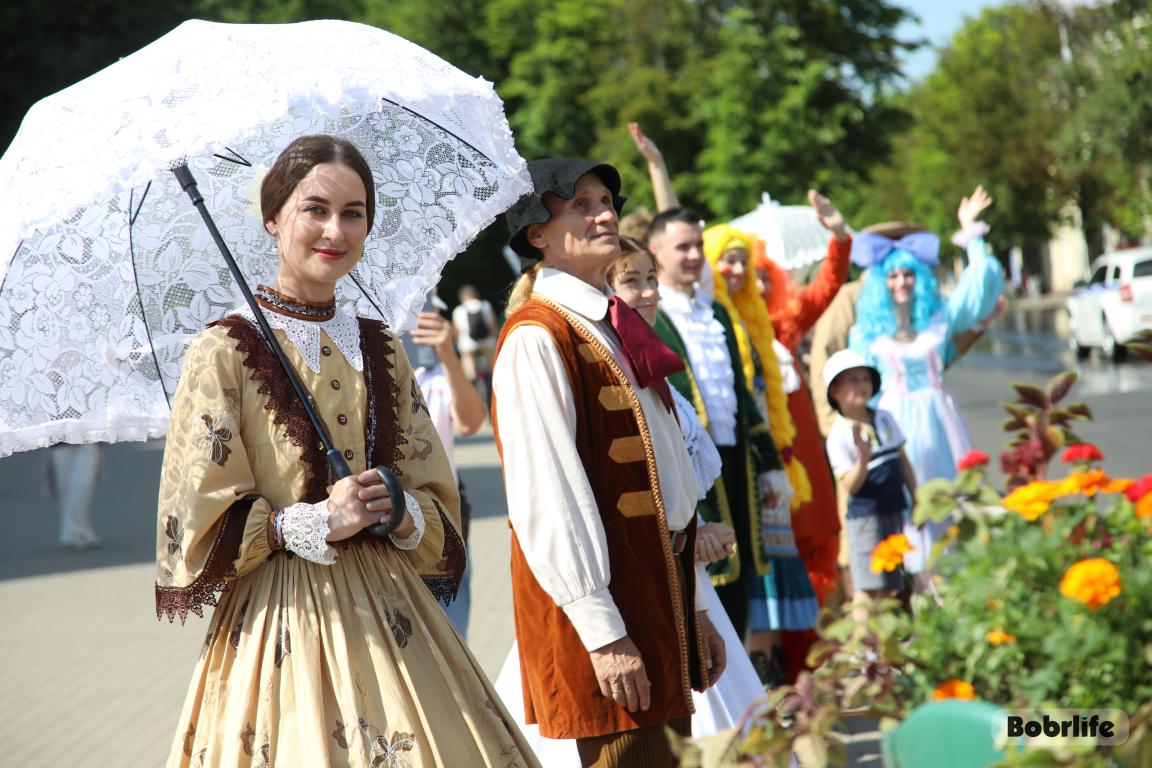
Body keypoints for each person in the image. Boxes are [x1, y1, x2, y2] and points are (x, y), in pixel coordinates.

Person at [155, 135, 536, 767]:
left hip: (397, 608)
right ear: (273, 218)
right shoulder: (224, 349)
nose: (336, 229)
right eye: (316, 209)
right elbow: (194, 519)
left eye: (354, 213)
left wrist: (397, 507)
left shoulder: (381, 345)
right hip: (285, 619)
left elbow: (433, 489)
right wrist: (308, 521)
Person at [493, 236, 763, 766]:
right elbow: (547, 502)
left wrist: (697, 606)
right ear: (542, 234)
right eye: (582, 204)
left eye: (605, 200)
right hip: (610, 610)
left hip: (660, 595)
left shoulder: (614, 331)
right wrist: (605, 636)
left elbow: (668, 493)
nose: (603, 214)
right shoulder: (537, 337)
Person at [847, 186, 1005, 576]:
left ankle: (963, 587)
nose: (901, 282)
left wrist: (971, 233)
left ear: (919, 278)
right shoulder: (867, 337)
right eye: (893, 275)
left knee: (956, 501)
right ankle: (920, 592)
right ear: (881, 283)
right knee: (910, 508)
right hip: (897, 426)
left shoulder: (939, 321)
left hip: (942, 422)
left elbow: (979, 286)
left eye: (908, 274)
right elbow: (855, 391)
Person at [702, 223, 820, 685]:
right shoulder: (706, 316)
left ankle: (766, 673)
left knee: (764, 568)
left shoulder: (751, 315)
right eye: (725, 259)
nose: (734, 269)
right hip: (731, 465)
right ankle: (748, 678)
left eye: (741, 261)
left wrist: (776, 461)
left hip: (762, 459)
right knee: (742, 571)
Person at [408, 294, 488, 639]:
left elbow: (471, 422)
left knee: (453, 638)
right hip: (384, 522)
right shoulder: (356, 370)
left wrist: (449, 356)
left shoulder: (437, 373)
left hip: (445, 518)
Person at [823, 349, 916, 604]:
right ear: (835, 391)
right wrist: (863, 458)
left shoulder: (884, 418)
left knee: (890, 585)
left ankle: (883, 640)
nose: (862, 385)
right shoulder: (839, 434)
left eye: (865, 379)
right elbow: (851, 486)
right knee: (867, 587)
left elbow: (903, 461)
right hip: (866, 517)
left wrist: (917, 497)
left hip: (893, 509)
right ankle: (862, 641)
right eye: (853, 380)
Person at [47, 443, 102, 549]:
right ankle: (73, 531)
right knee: (65, 490)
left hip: (87, 439)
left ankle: (76, 530)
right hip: (60, 441)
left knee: (83, 486)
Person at [451, 284, 497, 397]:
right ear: (476, 295)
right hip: (487, 342)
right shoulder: (485, 305)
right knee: (495, 367)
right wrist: (493, 337)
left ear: (462, 298)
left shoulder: (458, 310)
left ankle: (473, 390)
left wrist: (458, 343)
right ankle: (496, 388)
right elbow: (492, 326)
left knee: (468, 366)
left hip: (468, 345)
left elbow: (456, 331)